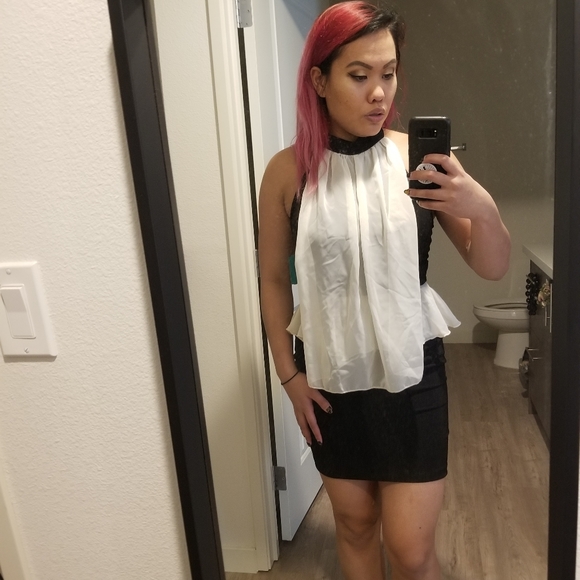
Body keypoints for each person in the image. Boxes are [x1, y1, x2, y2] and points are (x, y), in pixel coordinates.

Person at [258, 3, 510, 579]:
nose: (379, 92)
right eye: (359, 75)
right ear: (319, 80)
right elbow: (272, 279)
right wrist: (289, 378)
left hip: (412, 372)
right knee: (353, 525)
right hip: (328, 376)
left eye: (389, 73)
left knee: (411, 552)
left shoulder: (416, 162)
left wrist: (481, 207)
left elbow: (492, 265)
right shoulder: (286, 172)